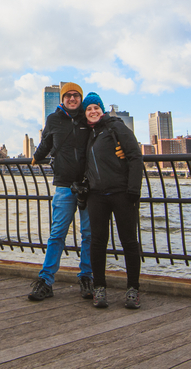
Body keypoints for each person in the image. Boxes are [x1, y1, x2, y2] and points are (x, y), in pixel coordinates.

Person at [28, 82, 94, 301]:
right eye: (69, 96)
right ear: (62, 99)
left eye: (76, 95)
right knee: (57, 234)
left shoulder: (89, 118)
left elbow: (108, 135)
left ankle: (87, 278)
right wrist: (36, 157)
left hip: (89, 186)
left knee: (89, 235)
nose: (72, 99)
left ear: (81, 99)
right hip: (64, 186)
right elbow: (46, 143)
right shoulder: (53, 120)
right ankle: (46, 281)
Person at [81, 92, 144, 309]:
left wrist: (133, 189)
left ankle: (133, 290)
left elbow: (135, 156)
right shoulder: (88, 134)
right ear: (85, 113)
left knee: (129, 241)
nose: (93, 111)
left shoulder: (115, 127)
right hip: (97, 196)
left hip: (121, 193)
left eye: (96, 107)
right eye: (89, 109)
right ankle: (99, 289)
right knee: (98, 243)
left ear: (102, 109)